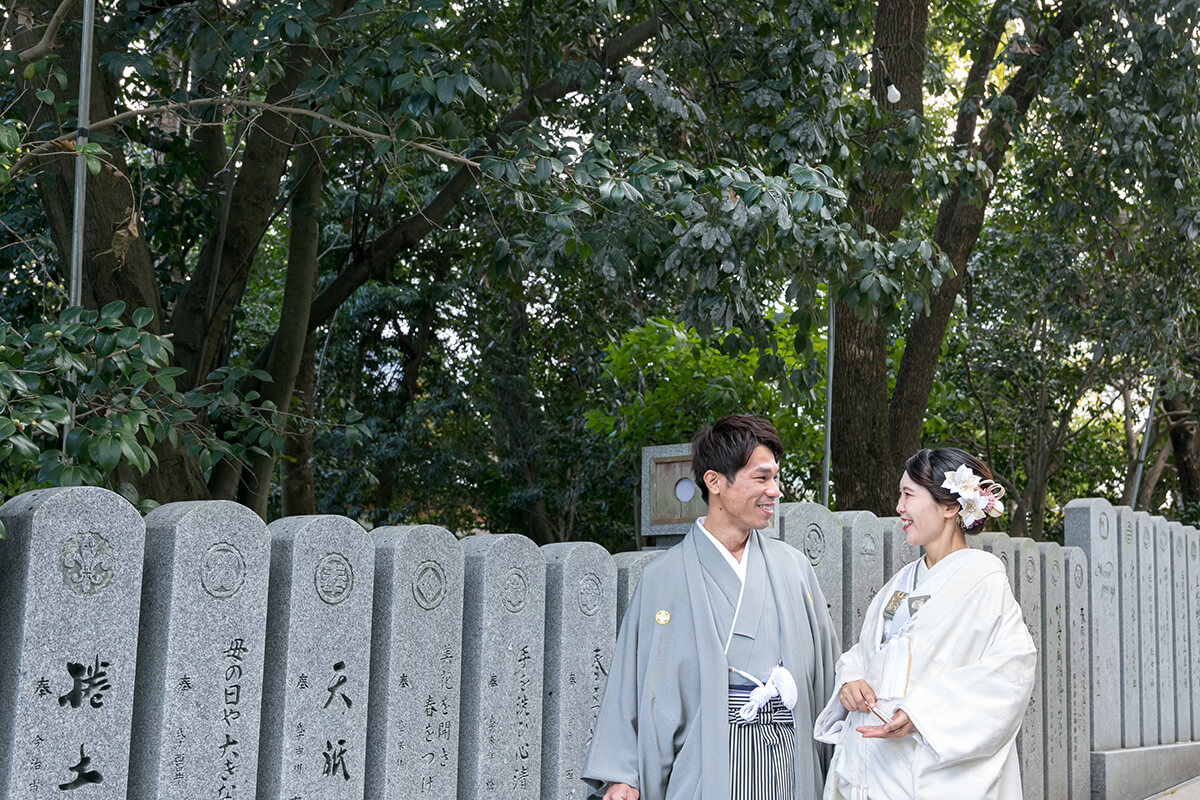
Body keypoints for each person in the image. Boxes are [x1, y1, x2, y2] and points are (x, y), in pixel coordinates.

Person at [582, 414, 840, 800]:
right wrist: (624, 774)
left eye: (776, 478)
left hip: (789, 767)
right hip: (705, 769)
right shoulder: (662, 579)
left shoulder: (794, 568)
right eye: (762, 477)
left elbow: (827, 676)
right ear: (715, 482)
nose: (775, 490)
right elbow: (630, 687)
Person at [813, 448, 1037, 799]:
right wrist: (850, 681)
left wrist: (923, 714)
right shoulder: (901, 582)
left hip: (930, 764)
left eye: (908, 495)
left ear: (949, 507)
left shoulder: (984, 580)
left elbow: (1011, 672)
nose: (899, 507)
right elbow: (868, 651)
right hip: (874, 761)